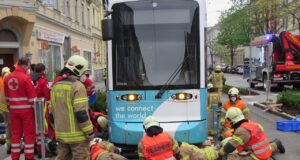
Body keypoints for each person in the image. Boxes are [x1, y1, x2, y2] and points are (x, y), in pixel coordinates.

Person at [50, 55, 94, 160]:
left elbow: (51, 113)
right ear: (78, 70)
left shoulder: (56, 86)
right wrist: (89, 132)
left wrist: (57, 130)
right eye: (84, 72)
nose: (85, 75)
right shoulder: (78, 86)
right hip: (78, 137)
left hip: (61, 135)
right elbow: (81, 113)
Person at [219, 107, 285, 160]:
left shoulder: (241, 131)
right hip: (266, 149)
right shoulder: (250, 124)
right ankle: (276, 144)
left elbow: (229, 147)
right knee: (263, 148)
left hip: (257, 157)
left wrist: (220, 152)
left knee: (231, 157)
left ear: (230, 120)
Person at [3, 58, 37, 160]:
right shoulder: (26, 78)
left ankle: (15, 157)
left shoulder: (7, 78)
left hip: (13, 112)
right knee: (29, 135)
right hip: (27, 112)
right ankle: (29, 157)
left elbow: (7, 98)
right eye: (28, 66)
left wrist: (12, 107)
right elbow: (32, 99)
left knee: (15, 135)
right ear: (25, 66)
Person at [31, 63, 55, 158]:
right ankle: (42, 151)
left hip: (32, 106)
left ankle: (36, 148)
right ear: (42, 71)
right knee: (43, 128)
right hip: (41, 106)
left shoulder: (30, 79)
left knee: (35, 129)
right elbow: (47, 95)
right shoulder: (43, 81)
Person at [0, 67, 11, 154]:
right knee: (11, 127)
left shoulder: (3, 78)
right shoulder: (7, 77)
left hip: (3, 107)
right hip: (7, 107)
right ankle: (11, 147)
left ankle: (9, 146)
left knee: (7, 127)